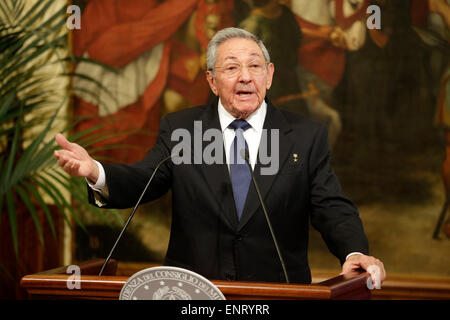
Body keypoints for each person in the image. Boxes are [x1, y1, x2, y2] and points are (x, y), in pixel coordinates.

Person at [55, 27, 385, 286]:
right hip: (194, 295)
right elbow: (144, 180)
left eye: (254, 66)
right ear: (212, 81)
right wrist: (95, 170)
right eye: (231, 67)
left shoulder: (305, 136)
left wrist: (354, 251)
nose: (245, 76)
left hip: (277, 295)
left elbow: (331, 206)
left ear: (269, 75)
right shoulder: (182, 129)